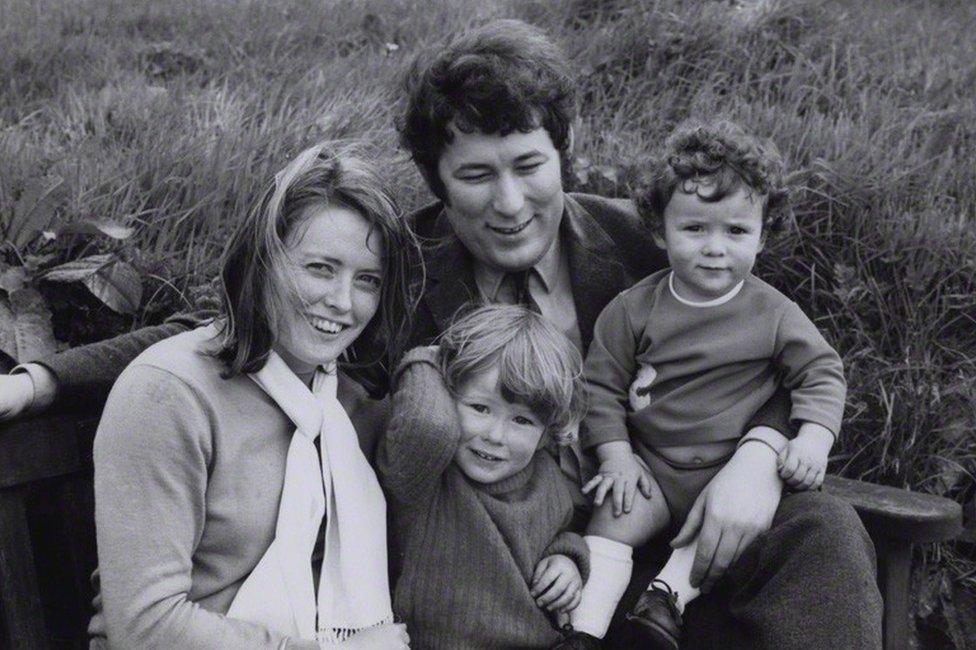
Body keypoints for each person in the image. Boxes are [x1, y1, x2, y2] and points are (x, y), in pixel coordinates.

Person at [2, 19, 882, 650]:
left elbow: (752, 339)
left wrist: (765, 452)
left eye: (530, 167)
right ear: (437, 180)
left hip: (646, 552)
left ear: (563, 158)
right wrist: (40, 382)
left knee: (826, 531)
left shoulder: (628, 243)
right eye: (475, 176)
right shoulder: (397, 274)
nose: (509, 203)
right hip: (489, 582)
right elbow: (224, 326)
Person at [87, 144, 416, 648]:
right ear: (263, 261)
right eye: (321, 268)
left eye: (367, 280)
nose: (343, 302)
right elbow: (145, 627)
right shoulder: (168, 394)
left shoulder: (347, 409)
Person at [568, 120, 845, 649]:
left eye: (736, 232)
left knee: (715, 534)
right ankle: (582, 631)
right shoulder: (634, 309)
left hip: (726, 472)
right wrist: (617, 456)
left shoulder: (774, 313)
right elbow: (598, 388)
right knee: (611, 520)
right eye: (695, 229)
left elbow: (821, 372)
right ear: (659, 231)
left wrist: (813, 438)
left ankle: (665, 599)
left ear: (762, 236)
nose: (715, 248)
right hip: (650, 465)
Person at [377, 304, 590, 648]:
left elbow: (560, 531)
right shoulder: (426, 471)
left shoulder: (545, 478)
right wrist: (432, 358)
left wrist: (567, 559)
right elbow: (426, 424)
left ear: (547, 434)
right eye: (480, 408)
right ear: (446, 393)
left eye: (522, 420)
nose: (495, 435)